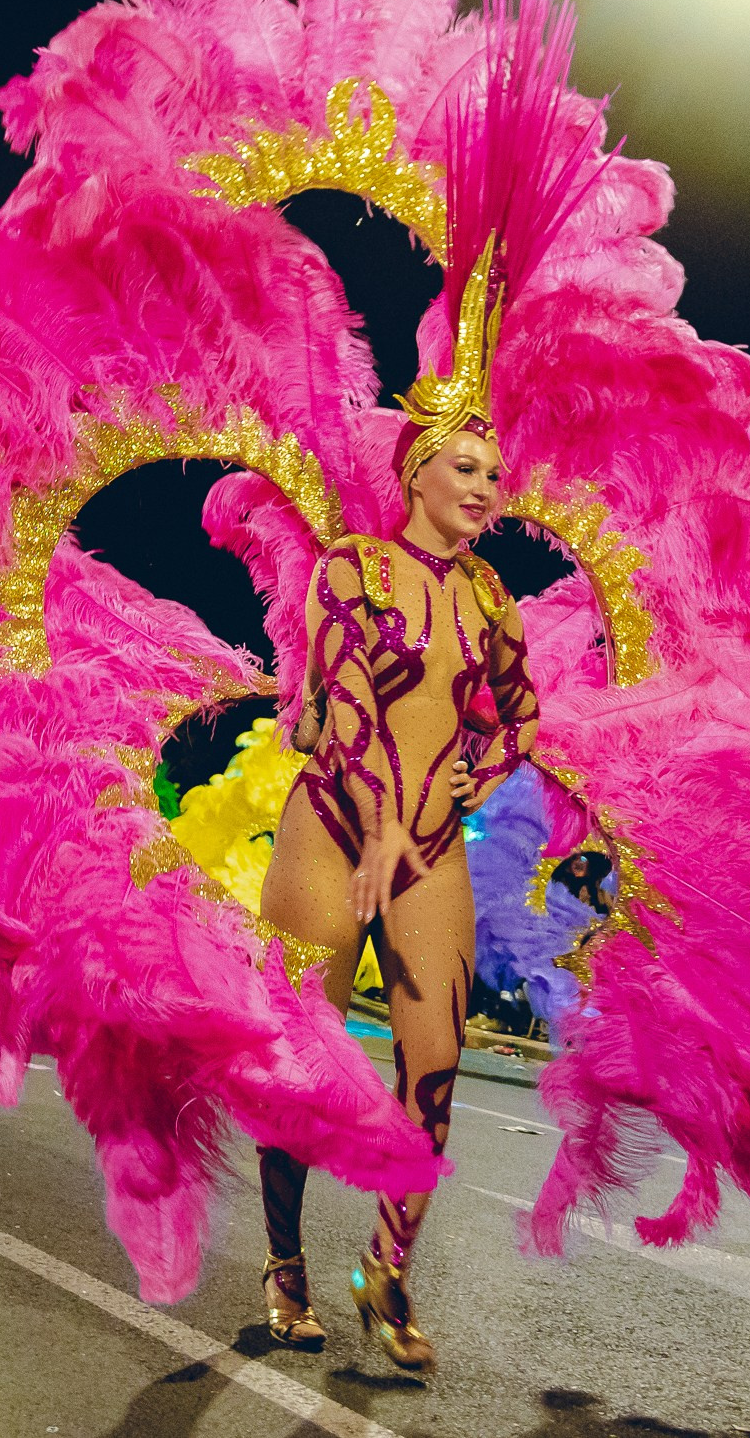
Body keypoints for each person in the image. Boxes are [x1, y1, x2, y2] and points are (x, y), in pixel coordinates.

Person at [255, 316, 538, 1372]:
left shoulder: (490, 600)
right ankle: (285, 1263)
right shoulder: (350, 568)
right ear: (415, 471)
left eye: (495, 471)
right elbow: (353, 701)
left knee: (433, 1072)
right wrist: (374, 825)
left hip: (426, 847)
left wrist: (482, 770)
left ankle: (386, 1269)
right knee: (298, 1064)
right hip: (332, 829)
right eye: (463, 465)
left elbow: (520, 717)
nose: (483, 484)